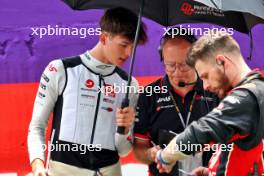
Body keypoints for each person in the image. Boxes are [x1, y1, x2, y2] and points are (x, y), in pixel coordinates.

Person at [27, 7, 147, 176]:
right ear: (104, 37)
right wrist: (38, 165)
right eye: (124, 45)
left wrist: (125, 129)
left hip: (110, 171)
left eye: (132, 47)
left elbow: (123, 151)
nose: (128, 53)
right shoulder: (60, 70)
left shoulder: (130, 85)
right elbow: (37, 126)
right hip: (63, 171)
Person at [156, 31, 264, 176]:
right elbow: (246, 149)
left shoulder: (246, 98)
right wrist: (212, 171)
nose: (205, 86)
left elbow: (200, 132)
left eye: (206, 76)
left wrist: (164, 157)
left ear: (222, 61)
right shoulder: (256, 90)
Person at [133, 28, 218, 176]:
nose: (177, 72)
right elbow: (139, 148)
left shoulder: (215, 89)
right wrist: (151, 154)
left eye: (184, 65)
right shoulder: (149, 95)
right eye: (170, 66)